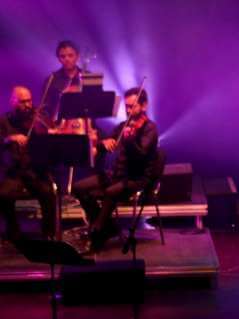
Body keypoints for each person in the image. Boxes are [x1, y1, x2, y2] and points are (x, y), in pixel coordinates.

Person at [73, 86, 161, 251]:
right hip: (116, 175)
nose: (128, 110)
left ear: (144, 105)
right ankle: (108, 226)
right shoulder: (122, 126)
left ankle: (98, 231)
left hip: (136, 178)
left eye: (132, 106)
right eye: (126, 107)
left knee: (110, 192)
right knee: (78, 188)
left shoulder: (150, 128)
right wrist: (103, 143)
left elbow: (141, 154)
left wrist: (129, 140)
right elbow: (105, 143)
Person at [0, 86, 57, 242]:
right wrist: (9, 138)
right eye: (22, 102)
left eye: (29, 101)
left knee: (48, 193)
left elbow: (51, 136)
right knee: (3, 195)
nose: (28, 105)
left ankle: (48, 233)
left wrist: (51, 133)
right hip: (15, 171)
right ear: (13, 102)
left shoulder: (37, 119)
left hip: (35, 170)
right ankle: (14, 231)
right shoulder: (4, 121)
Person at [43, 40, 84, 121]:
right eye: (62, 56)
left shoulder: (88, 76)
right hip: (60, 125)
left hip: (84, 124)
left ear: (77, 56)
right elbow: (46, 108)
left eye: (70, 55)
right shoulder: (51, 79)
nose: (67, 59)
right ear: (58, 58)